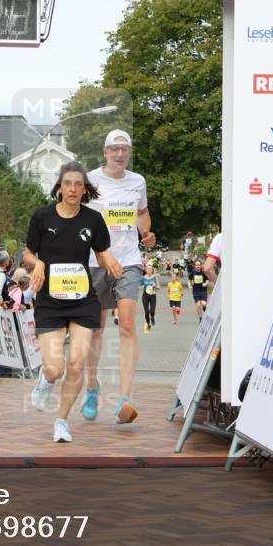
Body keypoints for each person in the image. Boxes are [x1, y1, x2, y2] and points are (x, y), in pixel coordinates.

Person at [25, 162, 122, 442]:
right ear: (59, 187)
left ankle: (62, 422)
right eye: (67, 183)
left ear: (84, 189)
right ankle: (46, 379)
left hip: (82, 300)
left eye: (78, 184)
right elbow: (28, 254)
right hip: (50, 301)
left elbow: (102, 253)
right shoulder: (42, 216)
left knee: (77, 364)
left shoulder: (92, 220)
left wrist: (110, 260)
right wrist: (39, 263)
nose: (73, 189)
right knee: (55, 367)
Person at [82, 129, 155, 424]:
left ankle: (125, 397)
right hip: (96, 260)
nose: (120, 154)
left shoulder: (137, 181)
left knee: (126, 325)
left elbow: (142, 213)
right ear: (105, 152)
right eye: (115, 149)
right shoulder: (90, 180)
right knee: (96, 329)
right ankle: (91, 387)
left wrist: (146, 234)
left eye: (125, 149)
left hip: (128, 260)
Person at [140, 264, 159, 332]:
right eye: (148, 269)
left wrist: (155, 286)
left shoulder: (155, 278)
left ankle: (152, 317)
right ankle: (148, 323)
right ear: (146, 270)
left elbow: (158, 287)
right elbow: (139, 286)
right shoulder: (142, 278)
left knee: (152, 311)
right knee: (146, 311)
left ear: (152, 270)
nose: (149, 270)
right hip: (145, 296)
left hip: (153, 296)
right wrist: (141, 287)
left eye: (150, 269)